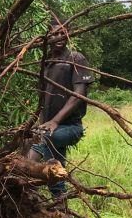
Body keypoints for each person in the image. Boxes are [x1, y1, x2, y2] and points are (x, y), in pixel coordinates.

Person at [27, 19, 94, 196]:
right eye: (54, 34)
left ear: (68, 34)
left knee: (49, 142)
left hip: (70, 127)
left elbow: (79, 93)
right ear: (46, 38)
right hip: (49, 128)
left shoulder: (75, 58)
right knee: (32, 161)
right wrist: (40, 125)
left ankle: (57, 195)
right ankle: (36, 200)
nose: (59, 37)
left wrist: (55, 121)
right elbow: (42, 99)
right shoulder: (46, 62)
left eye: (62, 32)